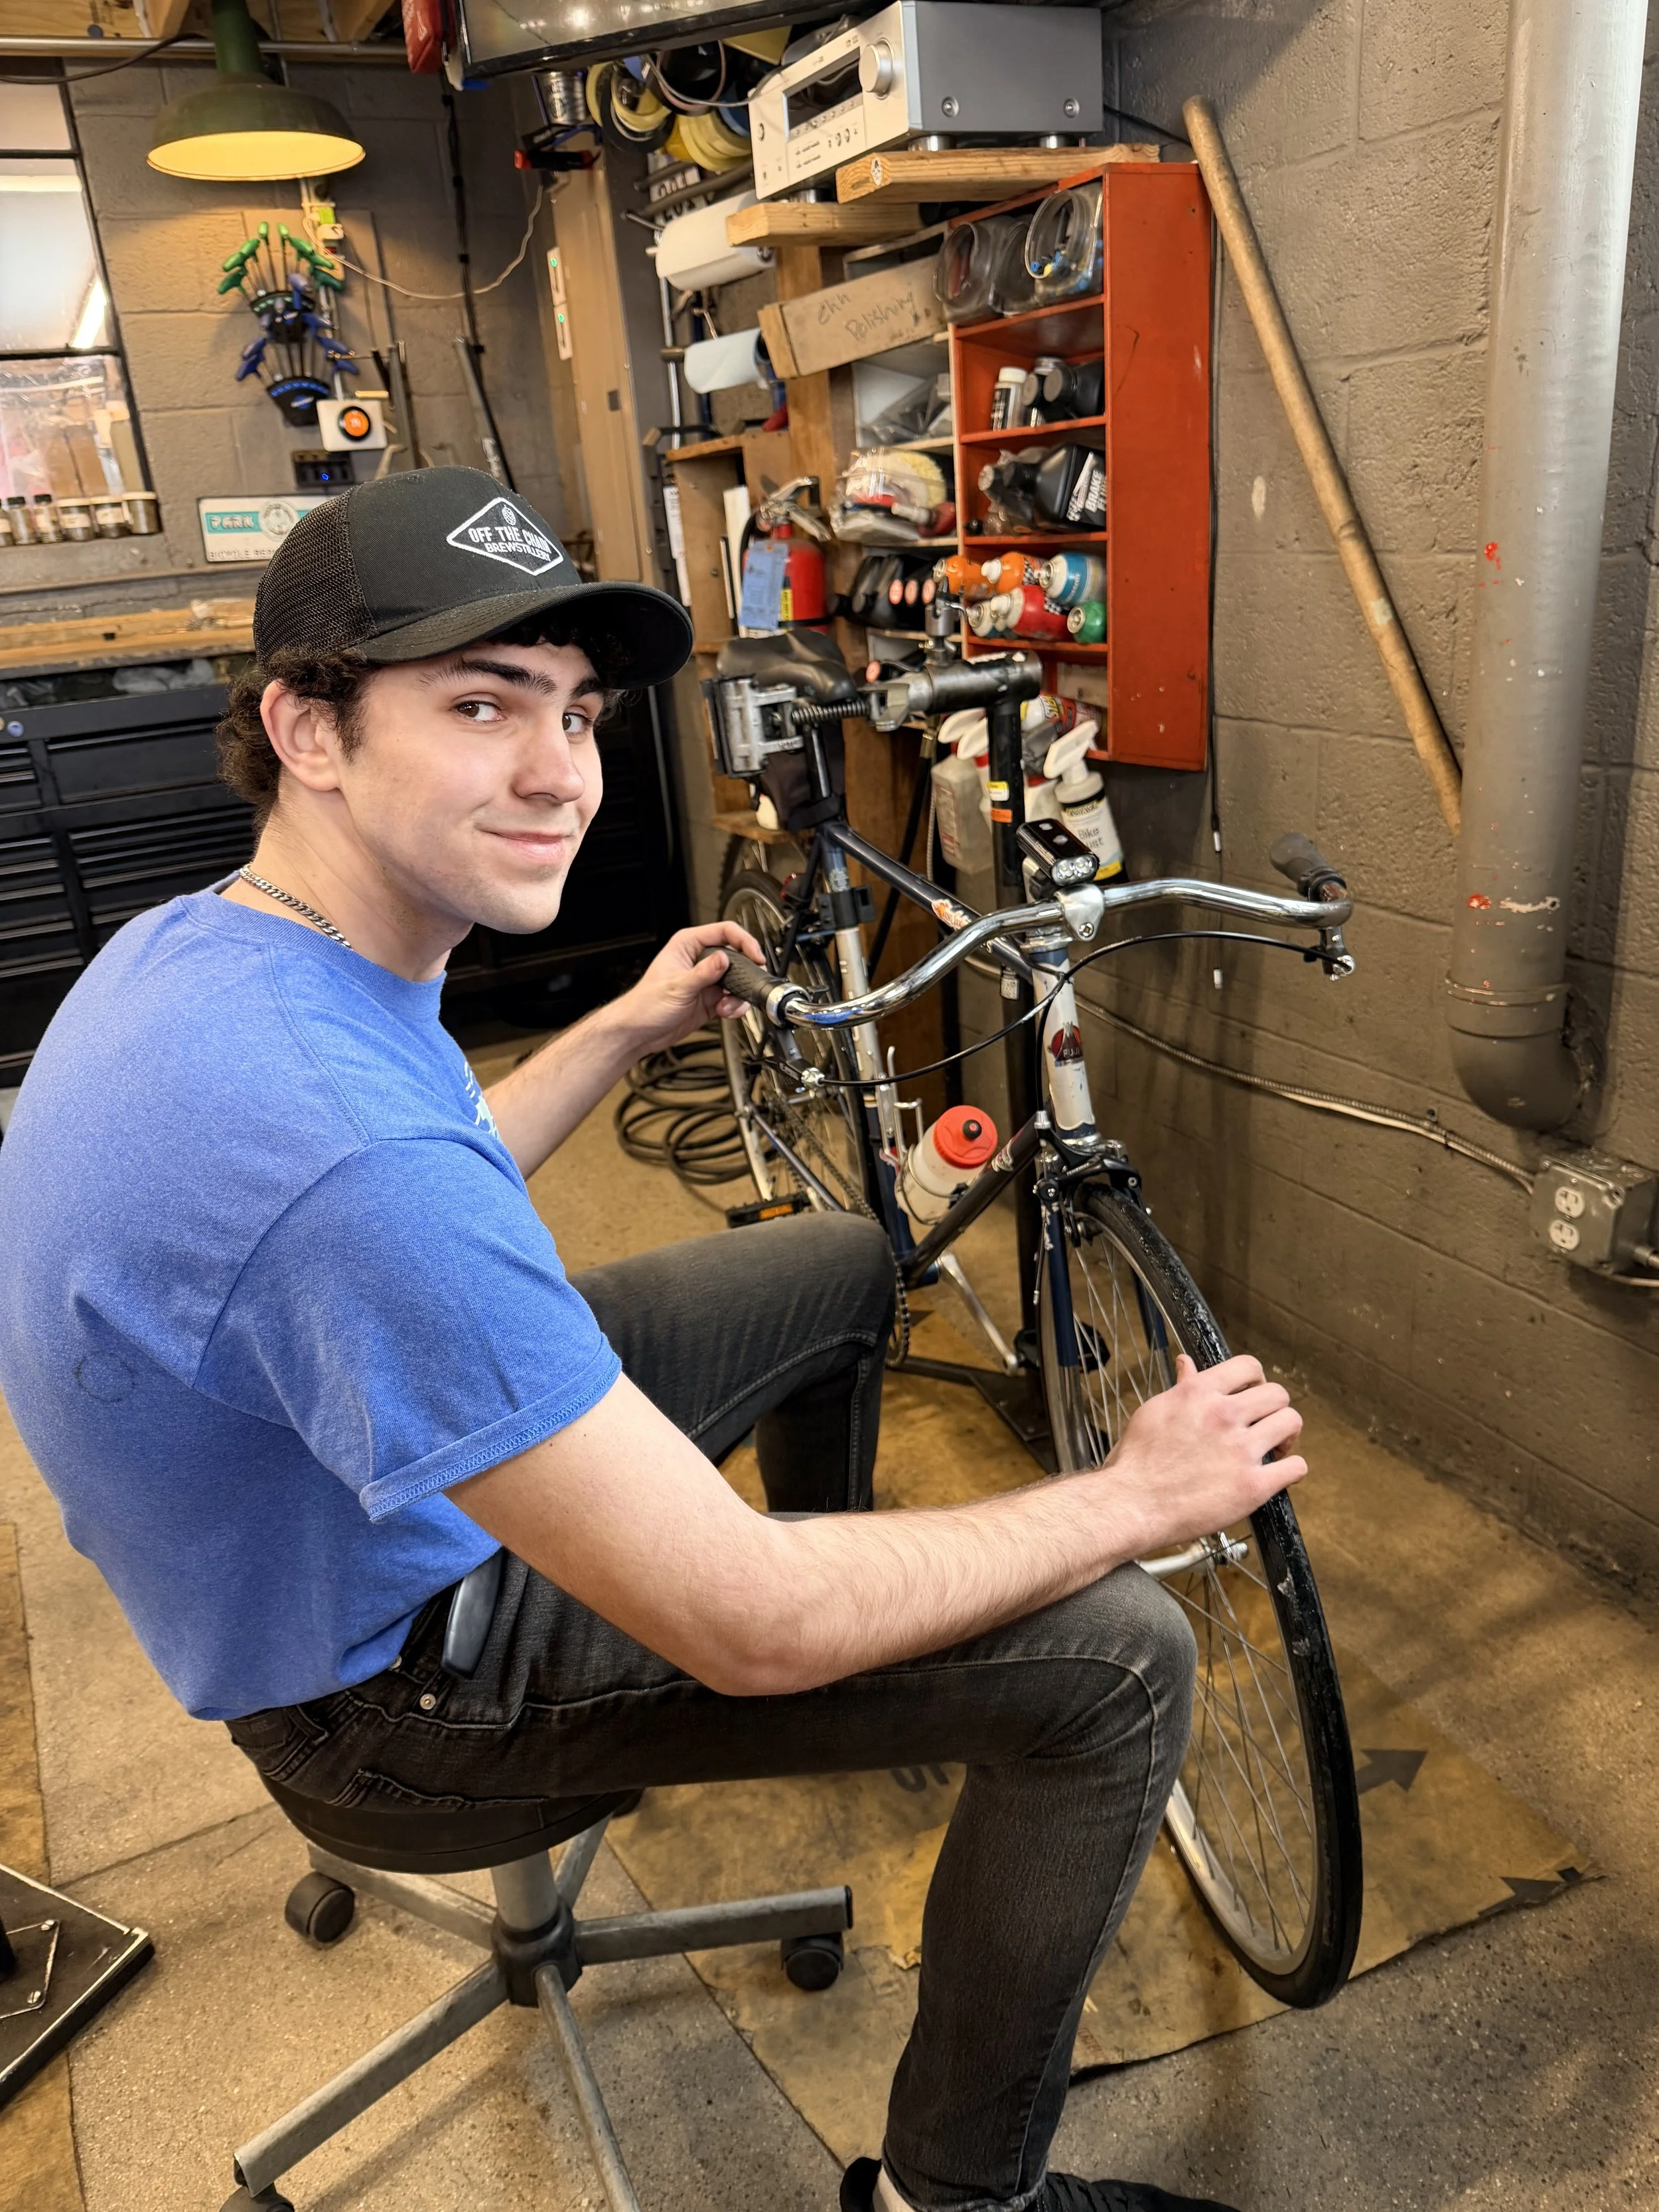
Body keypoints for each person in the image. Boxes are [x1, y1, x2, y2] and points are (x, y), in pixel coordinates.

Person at [0, 468, 1304, 2212]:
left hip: (340, 1500)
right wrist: (1134, 1493)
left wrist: (617, 1028)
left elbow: (429, 1175)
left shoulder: (224, 948)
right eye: (480, 706)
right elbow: (397, 1221)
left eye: (577, 709)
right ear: (305, 726)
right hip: (385, 1693)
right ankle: (954, 2194)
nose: (561, 771)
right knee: (1116, 1650)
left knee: (836, 1262)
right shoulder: (338, 1158)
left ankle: (869, 1662)